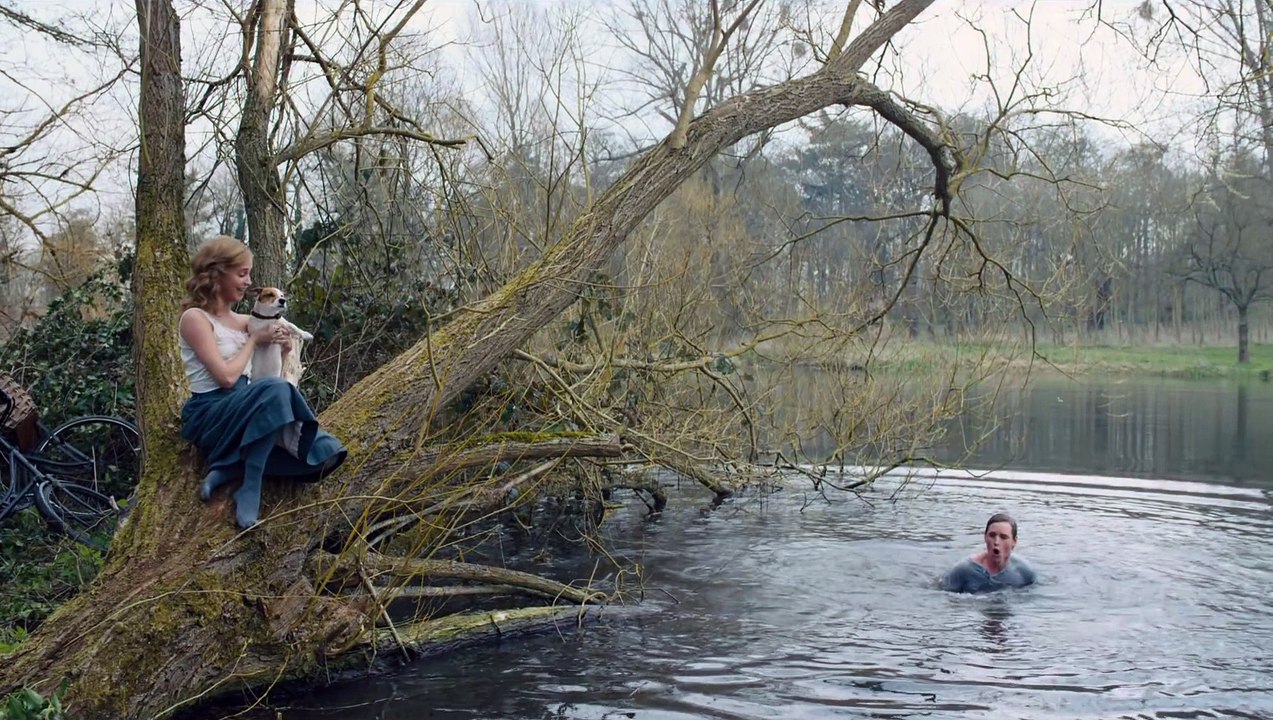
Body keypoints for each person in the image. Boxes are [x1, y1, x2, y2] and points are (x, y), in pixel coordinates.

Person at [178, 236, 346, 529]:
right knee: (275, 391)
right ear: (217, 273)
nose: (248, 282)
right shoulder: (195, 318)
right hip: (212, 413)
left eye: (249, 274)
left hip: (253, 407)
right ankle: (250, 487)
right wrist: (255, 340)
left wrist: (281, 347)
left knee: (324, 453)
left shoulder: (247, 320)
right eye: (242, 274)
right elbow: (227, 378)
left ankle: (231, 467)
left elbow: (265, 367)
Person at [941, 512, 1036, 594]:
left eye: (1003, 537)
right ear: (985, 537)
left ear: (1014, 542)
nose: (996, 542)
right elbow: (943, 597)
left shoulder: (1024, 572)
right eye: (992, 535)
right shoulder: (963, 571)